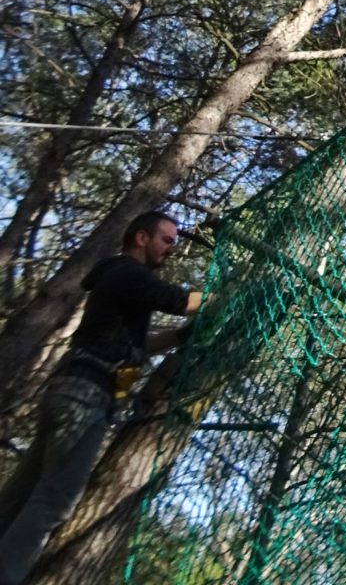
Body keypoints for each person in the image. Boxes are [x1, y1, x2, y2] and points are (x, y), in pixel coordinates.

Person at [0, 211, 201, 584]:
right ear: (141, 237)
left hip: (73, 391)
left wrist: (177, 337)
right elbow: (179, 300)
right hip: (86, 397)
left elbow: (134, 346)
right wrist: (235, 296)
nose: (171, 249)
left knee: (22, 494)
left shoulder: (119, 282)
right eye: (167, 240)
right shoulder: (128, 272)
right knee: (55, 499)